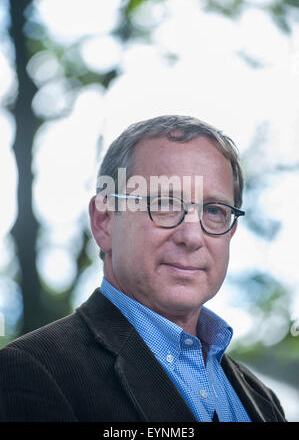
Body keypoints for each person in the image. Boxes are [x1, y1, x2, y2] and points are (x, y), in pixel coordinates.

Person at [0, 115, 286, 422]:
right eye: (164, 203)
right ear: (104, 222)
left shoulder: (262, 399)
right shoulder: (33, 372)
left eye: (214, 210)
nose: (191, 236)